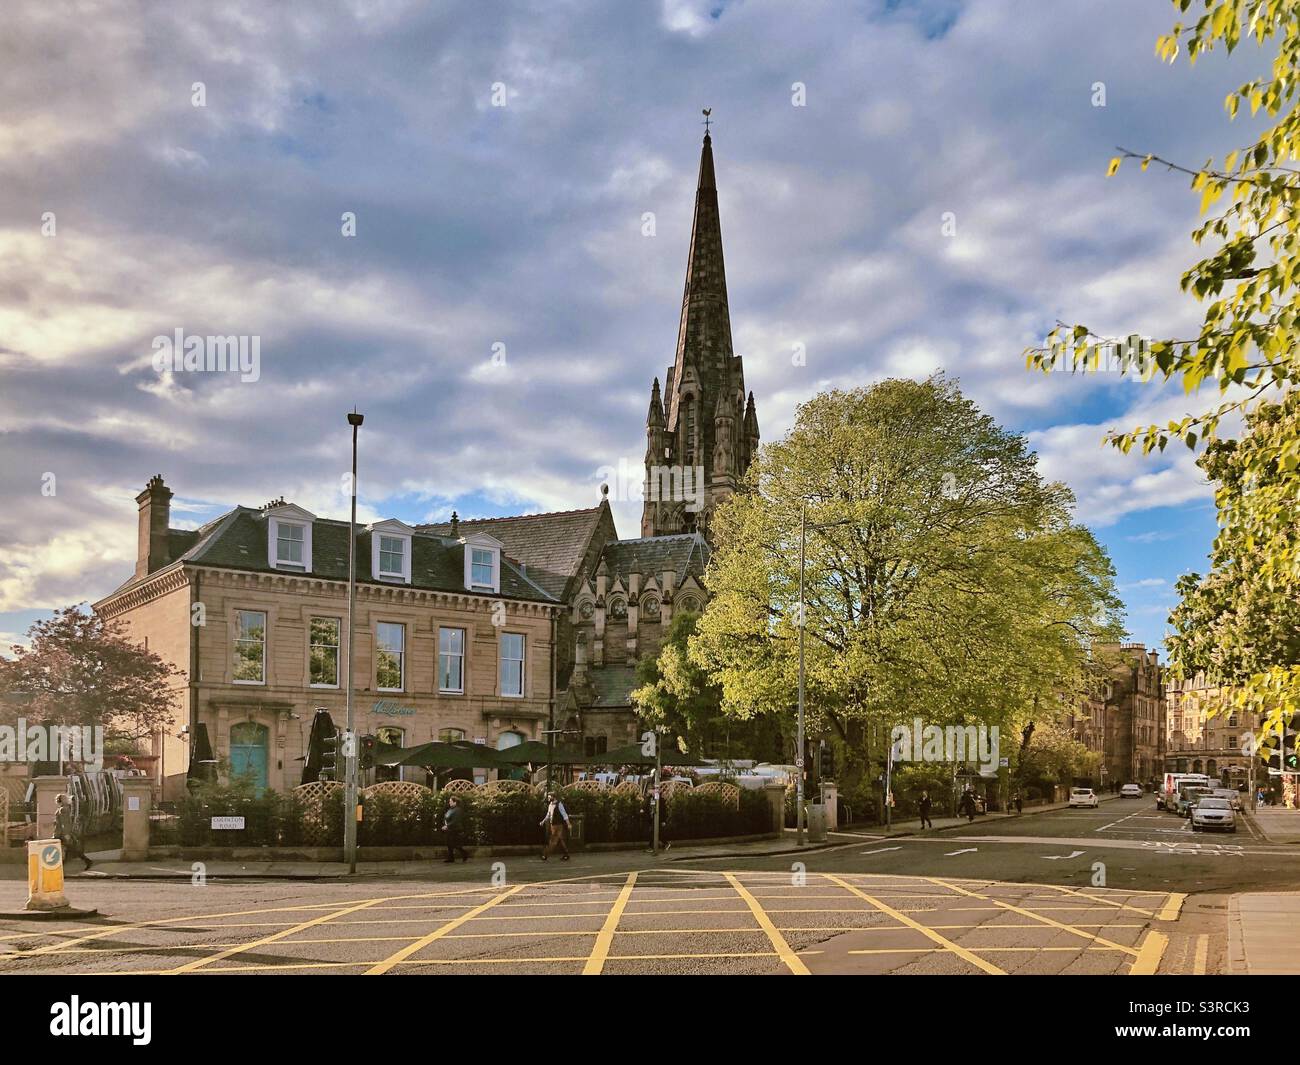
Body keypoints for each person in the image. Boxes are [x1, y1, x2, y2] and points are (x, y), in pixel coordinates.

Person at [53, 793, 90, 869]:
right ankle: (86, 861)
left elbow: (65, 823)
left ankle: (59, 867)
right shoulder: (65, 808)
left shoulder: (63, 809)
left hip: (61, 834)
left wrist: (67, 834)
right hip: (62, 833)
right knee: (70, 850)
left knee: (67, 849)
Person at [540, 792, 570, 861]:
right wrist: (543, 821)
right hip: (552, 825)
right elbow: (548, 814)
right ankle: (566, 854)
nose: (548, 798)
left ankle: (545, 855)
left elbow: (564, 814)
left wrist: (568, 823)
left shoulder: (559, 804)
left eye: (549, 797)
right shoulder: (550, 805)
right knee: (560, 840)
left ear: (553, 797)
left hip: (558, 825)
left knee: (553, 840)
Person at [442, 795, 469, 863]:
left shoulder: (458, 810)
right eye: (449, 801)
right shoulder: (450, 809)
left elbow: (455, 820)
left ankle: (464, 854)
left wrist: (447, 826)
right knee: (449, 844)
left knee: (455, 844)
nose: (449, 803)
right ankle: (451, 858)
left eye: (451, 801)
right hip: (449, 829)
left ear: (455, 802)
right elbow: (446, 817)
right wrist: (445, 825)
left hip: (456, 829)